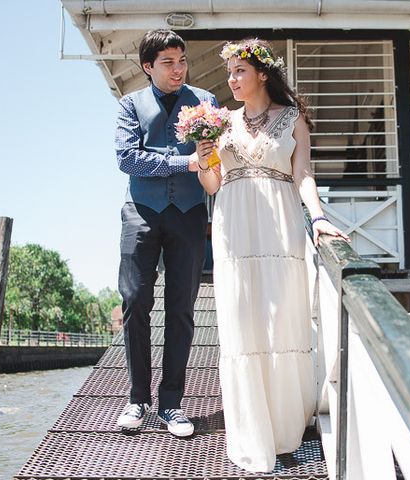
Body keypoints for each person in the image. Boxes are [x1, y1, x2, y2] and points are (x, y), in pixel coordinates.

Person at [196, 39, 349, 472]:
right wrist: (204, 157)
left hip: (280, 227)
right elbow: (211, 185)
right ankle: (250, 433)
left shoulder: (293, 118)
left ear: (262, 74)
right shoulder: (219, 122)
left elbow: (303, 175)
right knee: (242, 323)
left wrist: (317, 219)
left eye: (239, 71)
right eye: (229, 74)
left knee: (281, 321)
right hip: (234, 230)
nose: (232, 80)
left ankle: (284, 430)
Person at [114, 29, 218, 437]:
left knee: (181, 309)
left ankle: (171, 403)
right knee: (135, 299)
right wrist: (182, 161)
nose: (179, 69)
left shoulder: (206, 103)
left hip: (190, 213)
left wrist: (187, 159)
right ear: (148, 67)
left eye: (183, 61)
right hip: (139, 212)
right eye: (168, 63)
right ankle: (138, 398)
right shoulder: (129, 105)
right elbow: (127, 159)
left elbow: (212, 154)